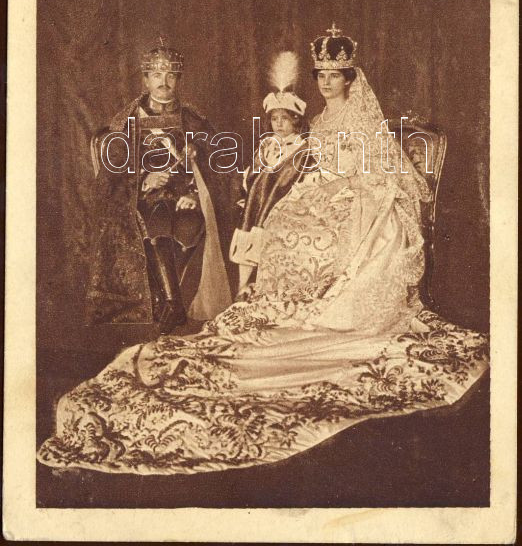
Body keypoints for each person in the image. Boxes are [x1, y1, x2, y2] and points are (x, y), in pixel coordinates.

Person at [38, 25, 488, 475]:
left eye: (334, 75)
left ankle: (311, 308)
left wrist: (340, 192)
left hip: (360, 202)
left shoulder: (362, 120)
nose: (326, 83)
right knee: (280, 223)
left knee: (306, 230)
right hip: (308, 197)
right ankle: (268, 303)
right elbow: (307, 169)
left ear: (350, 78)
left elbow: (380, 175)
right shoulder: (321, 120)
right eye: (321, 75)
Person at [85, 36, 232, 332]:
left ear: (178, 79)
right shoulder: (127, 121)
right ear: (146, 80)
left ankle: (169, 302)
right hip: (144, 198)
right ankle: (173, 305)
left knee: (189, 225)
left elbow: (218, 168)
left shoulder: (194, 120)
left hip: (186, 198)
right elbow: (113, 172)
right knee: (157, 222)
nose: (163, 82)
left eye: (170, 76)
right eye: (156, 75)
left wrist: (196, 192)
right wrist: (144, 180)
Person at [229, 51, 309, 297]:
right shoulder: (267, 145)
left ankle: (263, 287)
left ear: (296, 121)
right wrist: (247, 190)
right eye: (275, 119)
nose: (279, 124)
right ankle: (242, 287)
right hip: (257, 203)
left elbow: (301, 178)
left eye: (285, 119)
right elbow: (253, 172)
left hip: (283, 205)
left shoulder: (302, 148)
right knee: (248, 238)